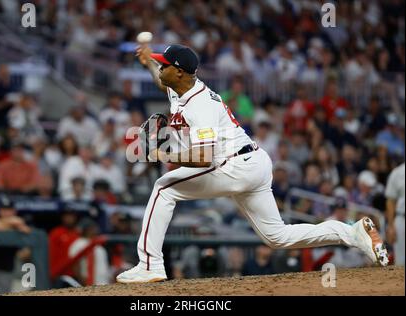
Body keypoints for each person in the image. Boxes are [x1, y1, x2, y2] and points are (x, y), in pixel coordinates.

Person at [116, 44, 389, 284]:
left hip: (232, 164)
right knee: (277, 236)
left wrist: (161, 154)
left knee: (164, 188)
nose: (160, 69)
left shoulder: (201, 106)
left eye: (163, 65)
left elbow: (204, 158)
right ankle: (352, 233)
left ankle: (150, 265)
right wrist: (149, 63)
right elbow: (163, 83)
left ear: (178, 72)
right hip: (252, 163)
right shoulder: (179, 86)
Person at [385, 163, 405, 266]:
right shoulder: (398, 173)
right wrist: (391, 226)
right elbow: (390, 201)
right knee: (401, 262)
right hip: (402, 219)